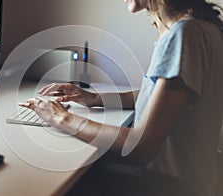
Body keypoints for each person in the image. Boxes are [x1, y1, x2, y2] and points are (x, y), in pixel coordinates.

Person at [20, 0, 223, 195]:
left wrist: (61, 118)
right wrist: (95, 98)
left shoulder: (183, 34)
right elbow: (162, 100)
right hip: (191, 181)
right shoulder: (203, 27)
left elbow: (139, 147)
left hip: (166, 186)